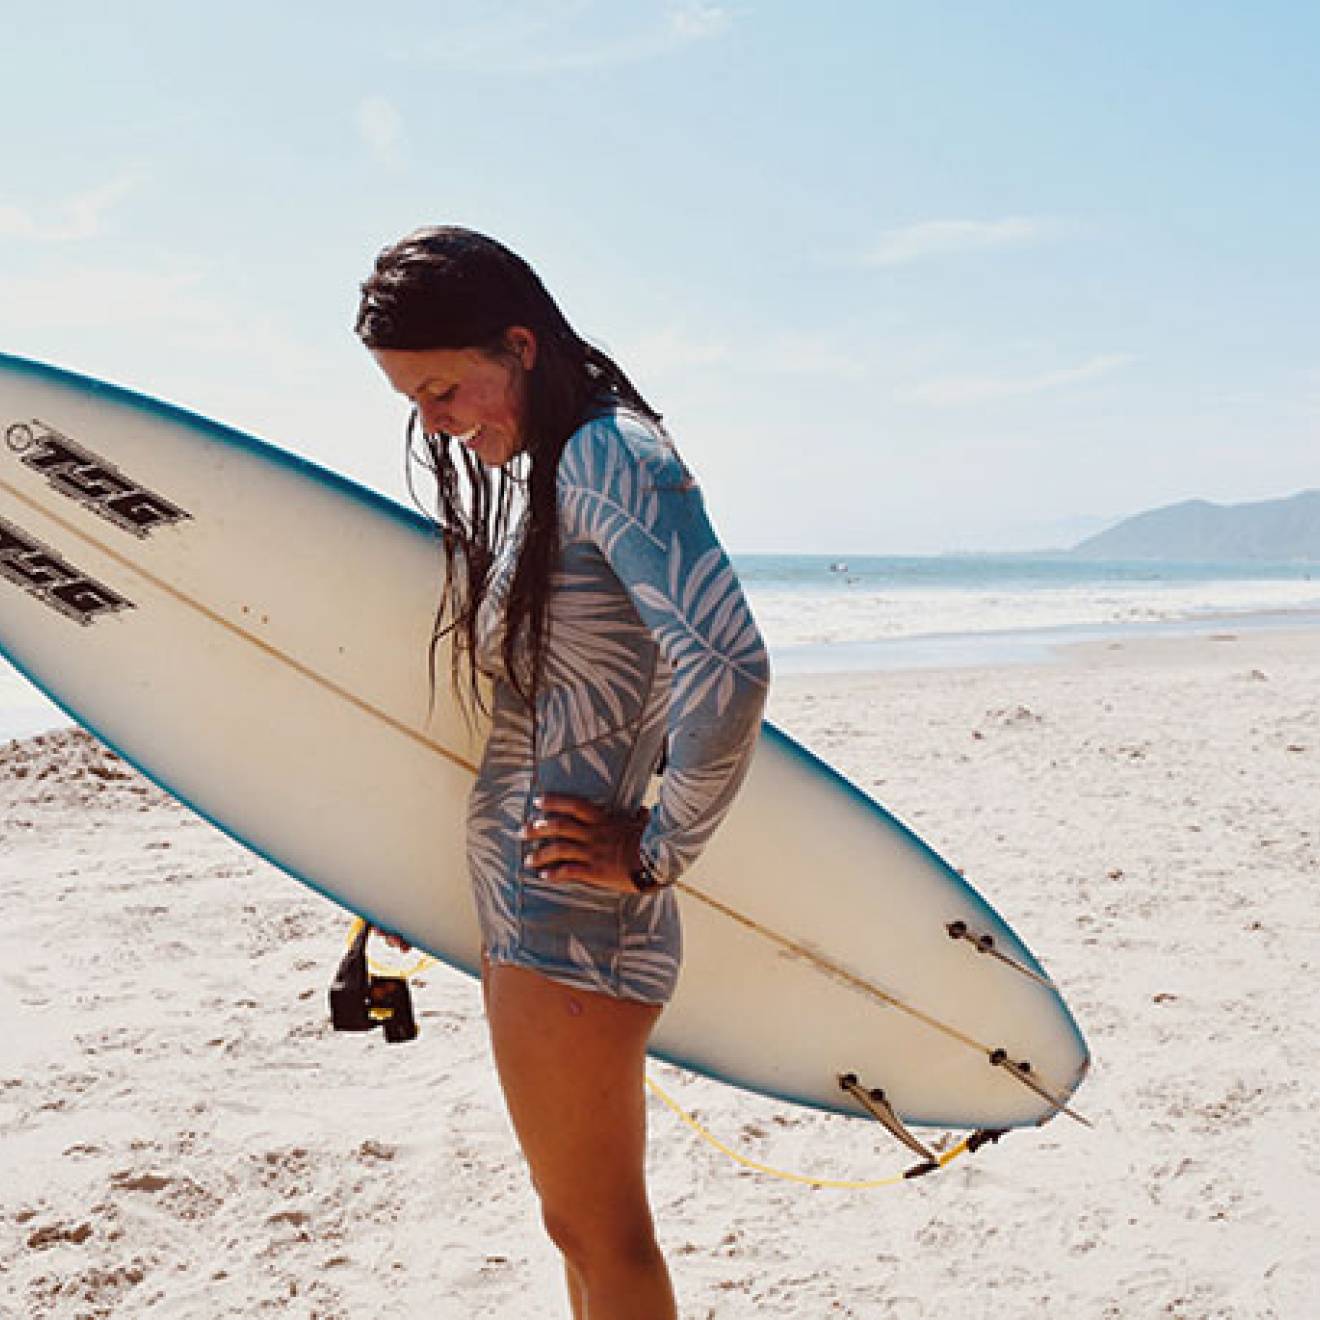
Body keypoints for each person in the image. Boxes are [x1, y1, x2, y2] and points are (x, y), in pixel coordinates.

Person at [356, 227, 770, 1319]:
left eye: (445, 390)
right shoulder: (567, 468)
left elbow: (727, 665)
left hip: (572, 920)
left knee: (604, 1235)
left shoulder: (606, 457)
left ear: (521, 346)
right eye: (416, 403)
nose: (437, 423)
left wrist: (657, 852)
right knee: (578, 1230)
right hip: (530, 913)